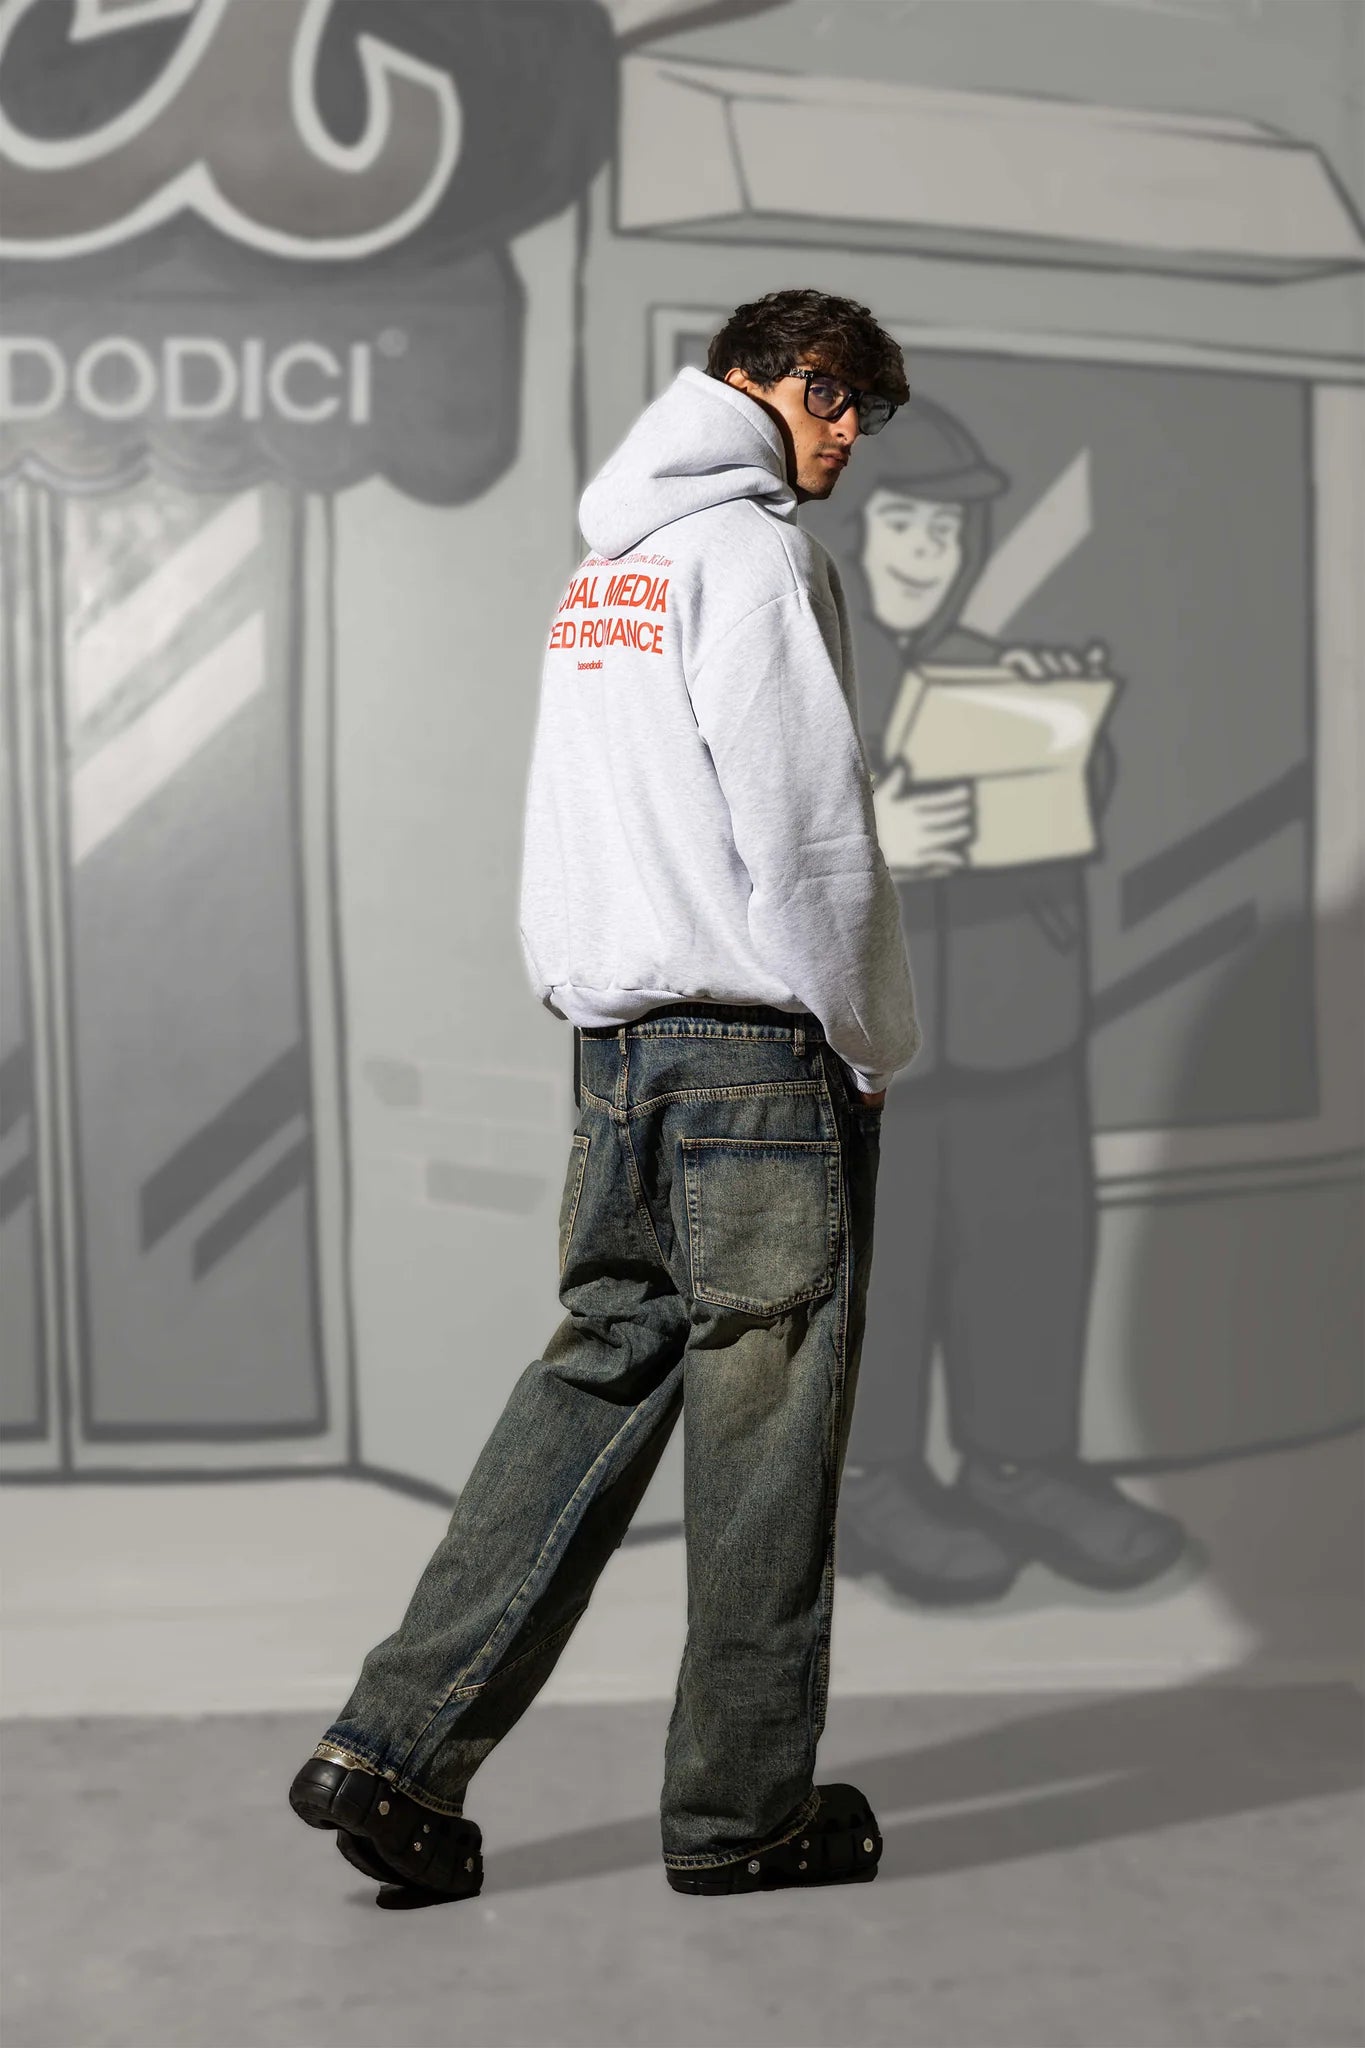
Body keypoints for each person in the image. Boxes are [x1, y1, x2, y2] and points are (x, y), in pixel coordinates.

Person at [289, 289, 920, 1905]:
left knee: (592, 1381)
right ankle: (743, 1814)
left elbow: (578, 821)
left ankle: (389, 1748)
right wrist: (870, 1036)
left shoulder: (607, 572)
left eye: (869, 409)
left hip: (620, 1056)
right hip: (757, 1061)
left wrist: (596, 1009)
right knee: (768, 1436)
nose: (850, 430)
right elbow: (808, 832)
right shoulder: (756, 560)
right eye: (833, 394)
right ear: (752, 380)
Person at [805, 397, 1187, 1604]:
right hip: (881, 1041)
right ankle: (872, 1483)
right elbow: (748, 836)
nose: (933, 552)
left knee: (1030, 1253)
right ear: (857, 530)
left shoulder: (988, 662)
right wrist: (882, 836)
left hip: (1026, 1022)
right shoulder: (799, 667)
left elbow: (1079, 797)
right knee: (885, 1267)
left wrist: (1065, 720)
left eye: (951, 531)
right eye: (908, 526)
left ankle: (1022, 1464)